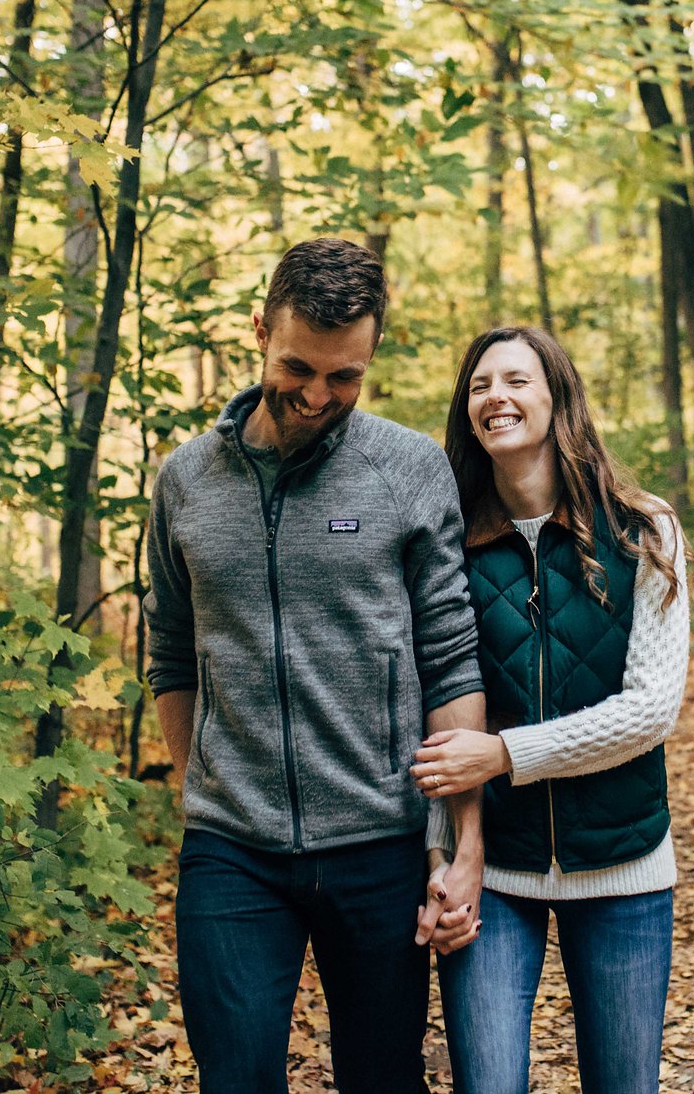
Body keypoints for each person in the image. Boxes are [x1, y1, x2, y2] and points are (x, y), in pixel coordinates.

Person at [144, 238, 487, 1094]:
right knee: (237, 1077)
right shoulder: (185, 480)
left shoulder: (409, 470)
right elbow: (171, 652)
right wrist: (199, 784)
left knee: (382, 1079)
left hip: (377, 837)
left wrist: (459, 842)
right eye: (297, 366)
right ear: (260, 328)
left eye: (345, 377)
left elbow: (449, 658)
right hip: (232, 850)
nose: (316, 395)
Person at [412, 325, 692, 1094]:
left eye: (515, 380)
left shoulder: (644, 528)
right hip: (496, 866)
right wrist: (439, 858)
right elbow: (433, 712)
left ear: (557, 396)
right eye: (479, 385)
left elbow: (651, 710)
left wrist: (505, 753)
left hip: (625, 863)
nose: (495, 396)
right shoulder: (446, 545)